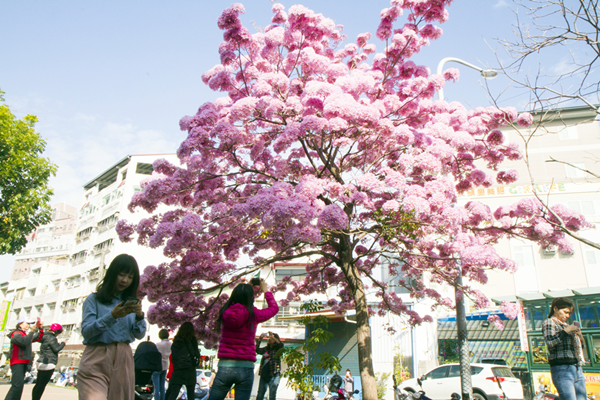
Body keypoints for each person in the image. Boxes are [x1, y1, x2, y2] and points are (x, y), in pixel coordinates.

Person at [77, 254, 146, 400]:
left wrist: (140, 316)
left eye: (130, 277)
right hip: (97, 356)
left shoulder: (129, 302)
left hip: (124, 357)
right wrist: (112, 316)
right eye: (121, 274)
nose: (124, 280)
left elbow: (139, 335)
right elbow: (87, 332)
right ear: (112, 273)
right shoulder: (94, 300)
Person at [207, 279, 279, 400]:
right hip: (246, 367)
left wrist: (246, 289)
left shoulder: (225, 312)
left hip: (225, 365)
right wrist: (265, 291)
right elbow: (274, 308)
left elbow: (238, 307)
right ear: (250, 298)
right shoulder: (253, 314)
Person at [542, 297, 587, 400]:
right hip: (561, 368)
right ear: (556, 309)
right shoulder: (549, 322)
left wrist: (579, 335)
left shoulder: (566, 325)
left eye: (569, 313)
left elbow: (581, 347)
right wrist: (566, 331)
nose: (567, 316)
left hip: (576, 367)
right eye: (565, 312)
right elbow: (550, 342)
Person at [4, 317, 43, 400]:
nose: (29, 325)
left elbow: (37, 338)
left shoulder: (25, 334)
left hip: (23, 362)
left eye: (29, 324)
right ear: (20, 324)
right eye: (27, 323)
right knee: (18, 385)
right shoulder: (16, 334)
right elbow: (24, 342)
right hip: (17, 361)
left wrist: (40, 328)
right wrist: (32, 331)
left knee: (17, 385)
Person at [165, 322, 200, 400]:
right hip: (190, 369)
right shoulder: (192, 340)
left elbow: (173, 356)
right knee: (191, 394)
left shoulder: (176, 341)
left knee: (173, 393)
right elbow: (196, 354)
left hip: (178, 369)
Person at [32, 323, 66, 400]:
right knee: (42, 385)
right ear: (57, 332)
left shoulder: (44, 335)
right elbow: (56, 349)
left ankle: (34, 398)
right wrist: (63, 343)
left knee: (38, 384)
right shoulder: (52, 338)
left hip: (40, 362)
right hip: (49, 363)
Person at [256, 332, 284, 400]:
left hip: (274, 375)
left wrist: (274, 337)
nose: (269, 339)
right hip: (264, 375)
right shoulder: (266, 349)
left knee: (272, 396)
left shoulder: (277, 349)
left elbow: (281, 345)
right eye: (269, 338)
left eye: (271, 338)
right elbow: (257, 350)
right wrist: (260, 339)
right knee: (260, 395)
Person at [153, 329, 172, 400]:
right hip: (165, 366)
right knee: (162, 387)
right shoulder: (170, 344)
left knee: (156, 387)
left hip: (158, 366)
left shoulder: (158, 344)